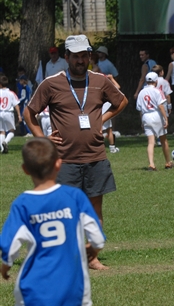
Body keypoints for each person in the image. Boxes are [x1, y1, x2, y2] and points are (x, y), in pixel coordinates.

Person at [0, 138, 107, 306]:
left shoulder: (23, 204)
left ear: (25, 170)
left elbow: (7, 249)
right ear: (59, 164)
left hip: (34, 289)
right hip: (73, 287)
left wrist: (5, 268)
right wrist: (92, 250)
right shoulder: (74, 198)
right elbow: (97, 237)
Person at [24, 34, 128, 271]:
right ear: (66, 57)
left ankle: (92, 258)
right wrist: (42, 139)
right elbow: (30, 113)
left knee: (94, 210)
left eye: (84, 55)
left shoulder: (100, 81)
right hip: (63, 160)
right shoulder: (51, 83)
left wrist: (102, 119)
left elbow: (121, 101)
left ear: (89, 56)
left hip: (95, 157)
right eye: (76, 56)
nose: (81, 60)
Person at [136, 72, 171, 171]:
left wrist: (142, 121)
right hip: (157, 115)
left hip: (146, 116)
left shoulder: (141, 92)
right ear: (156, 81)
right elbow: (160, 106)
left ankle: (151, 164)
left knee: (151, 142)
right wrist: (165, 118)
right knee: (163, 140)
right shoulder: (157, 91)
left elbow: (140, 109)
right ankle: (168, 162)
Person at [0, 75, 20, 153]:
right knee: (12, 131)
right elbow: (16, 105)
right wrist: (19, 115)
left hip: (0, 112)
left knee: (1, 131)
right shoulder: (11, 93)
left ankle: (2, 148)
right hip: (8, 113)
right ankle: (5, 141)